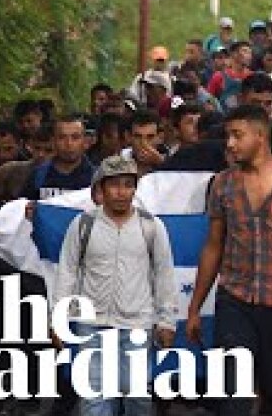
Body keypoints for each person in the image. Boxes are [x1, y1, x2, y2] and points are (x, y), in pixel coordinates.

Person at [186, 106, 272, 416]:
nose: (230, 144)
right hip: (235, 300)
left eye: (238, 136)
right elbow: (212, 247)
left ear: (261, 136)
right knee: (233, 397)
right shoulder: (223, 184)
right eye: (228, 136)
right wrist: (195, 307)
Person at [53, 155, 179, 416]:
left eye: (127, 184)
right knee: (93, 397)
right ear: (101, 188)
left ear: (135, 188)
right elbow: (66, 270)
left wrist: (166, 320)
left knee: (136, 397)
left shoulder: (151, 226)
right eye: (114, 185)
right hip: (92, 324)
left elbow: (164, 273)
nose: (121, 192)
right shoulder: (83, 225)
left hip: (136, 324)